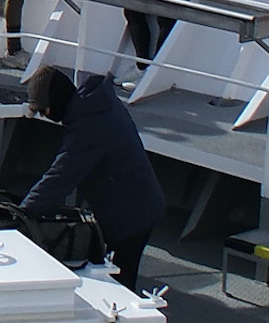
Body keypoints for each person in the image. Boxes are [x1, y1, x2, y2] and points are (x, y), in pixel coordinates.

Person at [21, 66, 167, 292]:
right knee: (114, 270)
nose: (44, 115)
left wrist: (22, 215)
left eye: (44, 110)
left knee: (120, 286)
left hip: (132, 214)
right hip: (139, 203)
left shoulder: (90, 126)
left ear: (56, 100)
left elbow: (61, 176)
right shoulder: (96, 106)